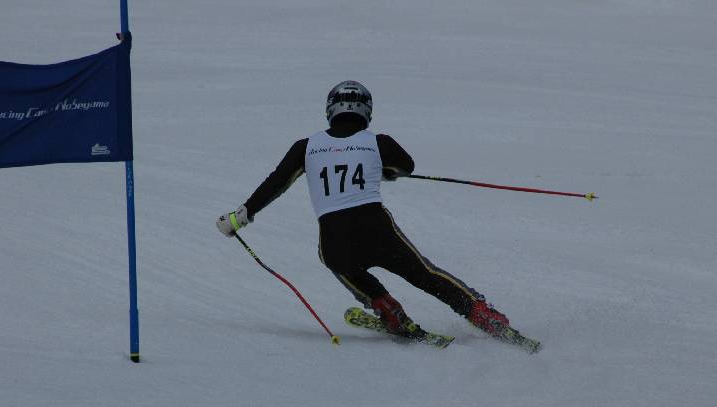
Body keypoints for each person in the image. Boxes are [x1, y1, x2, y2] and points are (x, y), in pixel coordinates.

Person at [216, 80, 511, 340]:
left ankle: (387, 308)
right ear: (366, 111)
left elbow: (276, 183)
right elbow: (406, 166)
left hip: (334, 235)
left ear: (331, 109)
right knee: (425, 274)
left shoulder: (305, 147)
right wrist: (384, 171)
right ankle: (481, 312)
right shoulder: (378, 142)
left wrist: (240, 217)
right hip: (376, 228)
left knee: (336, 261)